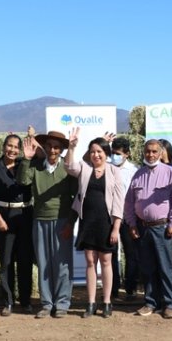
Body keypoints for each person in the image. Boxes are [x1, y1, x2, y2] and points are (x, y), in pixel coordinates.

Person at [65, 128, 124, 318]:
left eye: (99, 151)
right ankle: (91, 303)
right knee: (90, 261)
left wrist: (116, 228)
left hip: (106, 223)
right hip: (87, 222)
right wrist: (71, 147)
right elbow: (69, 167)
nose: (96, 155)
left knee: (106, 261)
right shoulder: (84, 168)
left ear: (106, 153)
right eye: (92, 151)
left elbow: (118, 202)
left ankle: (106, 302)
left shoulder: (114, 171)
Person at [18, 131, 78, 318]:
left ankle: (62, 303)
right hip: (40, 220)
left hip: (62, 220)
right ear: (44, 147)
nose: (52, 149)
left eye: (57, 147)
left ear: (61, 150)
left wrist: (70, 223)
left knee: (62, 264)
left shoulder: (67, 169)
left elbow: (76, 198)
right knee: (44, 263)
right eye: (50, 146)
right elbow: (23, 180)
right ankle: (46, 303)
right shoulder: (35, 166)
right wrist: (26, 159)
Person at [124, 139, 172, 319]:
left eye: (154, 151)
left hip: (163, 227)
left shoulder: (170, 173)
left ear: (160, 153)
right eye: (147, 151)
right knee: (147, 267)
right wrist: (132, 223)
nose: (150, 155)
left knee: (166, 267)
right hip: (142, 228)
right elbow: (129, 202)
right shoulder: (137, 175)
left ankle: (169, 304)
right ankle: (150, 302)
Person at [0, 134, 34, 316]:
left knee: (25, 260)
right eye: (9, 146)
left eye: (15, 147)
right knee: (6, 261)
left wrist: (32, 138)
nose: (12, 150)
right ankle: (8, 301)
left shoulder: (26, 165)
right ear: (3, 146)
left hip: (25, 215)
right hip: (4, 216)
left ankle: (26, 301)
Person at [111, 137, 140, 299]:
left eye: (119, 154)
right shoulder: (107, 167)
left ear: (127, 154)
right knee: (112, 253)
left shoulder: (134, 170)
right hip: (111, 218)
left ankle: (131, 288)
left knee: (131, 254)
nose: (115, 156)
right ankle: (113, 289)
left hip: (129, 218)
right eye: (113, 153)